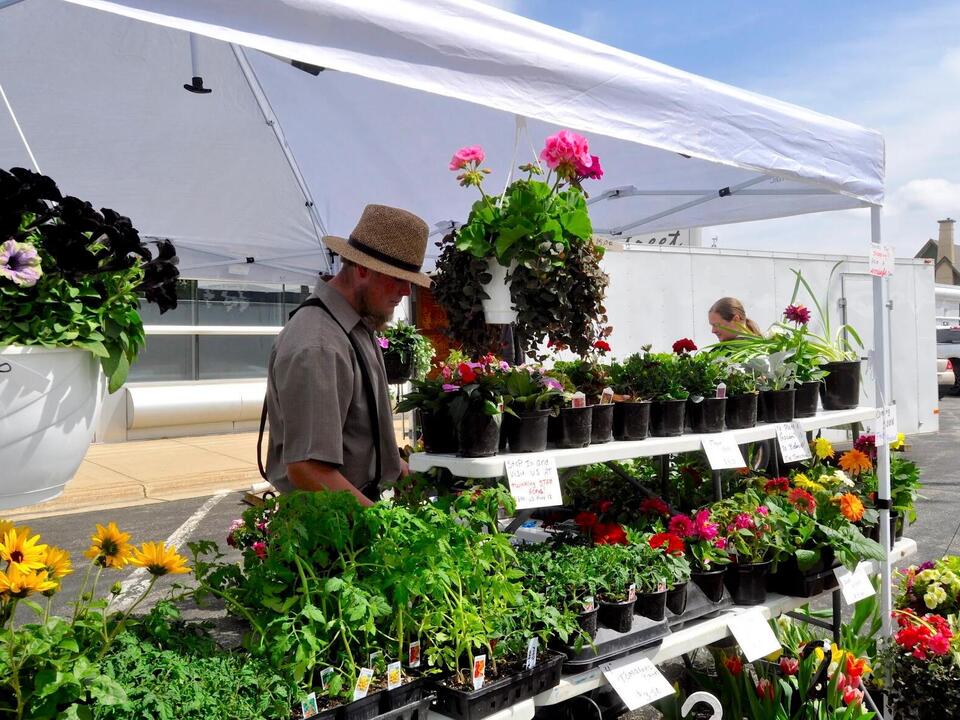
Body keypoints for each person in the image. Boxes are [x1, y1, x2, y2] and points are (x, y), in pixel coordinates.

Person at [263, 204, 431, 507]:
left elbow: (355, 436)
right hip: (333, 540)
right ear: (363, 269)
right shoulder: (320, 345)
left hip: (349, 522)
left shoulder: (353, 326)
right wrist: (388, 528)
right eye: (397, 278)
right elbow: (308, 470)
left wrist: (395, 469)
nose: (407, 291)